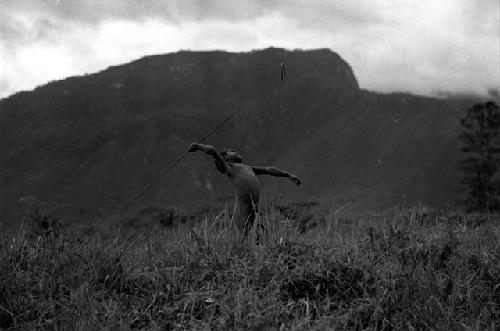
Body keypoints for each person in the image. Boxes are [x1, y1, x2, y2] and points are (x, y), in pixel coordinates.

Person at [188, 143, 301, 238]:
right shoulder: (228, 167)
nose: (236, 152)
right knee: (243, 237)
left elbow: (269, 170)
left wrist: (287, 175)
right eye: (231, 151)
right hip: (243, 211)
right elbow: (213, 150)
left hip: (255, 209)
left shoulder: (248, 167)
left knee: (262, 236)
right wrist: (198, 146)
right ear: (226, 158)